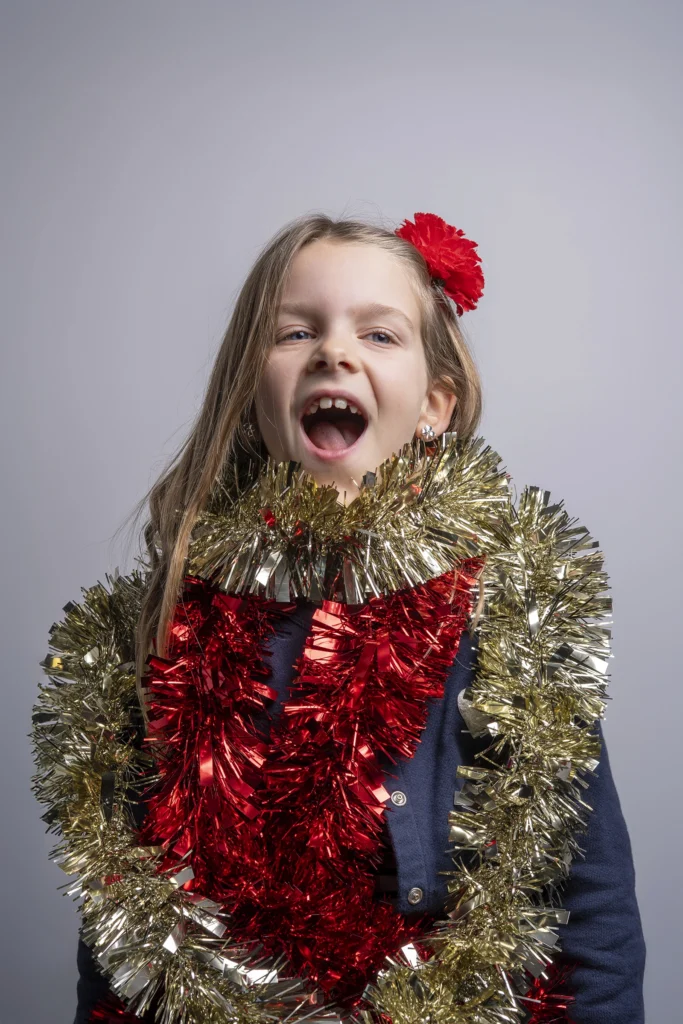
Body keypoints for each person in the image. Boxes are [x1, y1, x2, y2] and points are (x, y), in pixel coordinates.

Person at [32, 211, 646, 1024]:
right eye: (296, 332)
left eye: (380, 336)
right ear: (252, 389)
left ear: (433, 404)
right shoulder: (168, 629)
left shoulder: (504, 622)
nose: (334, 351)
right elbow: (121, 936)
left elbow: (589, 910)